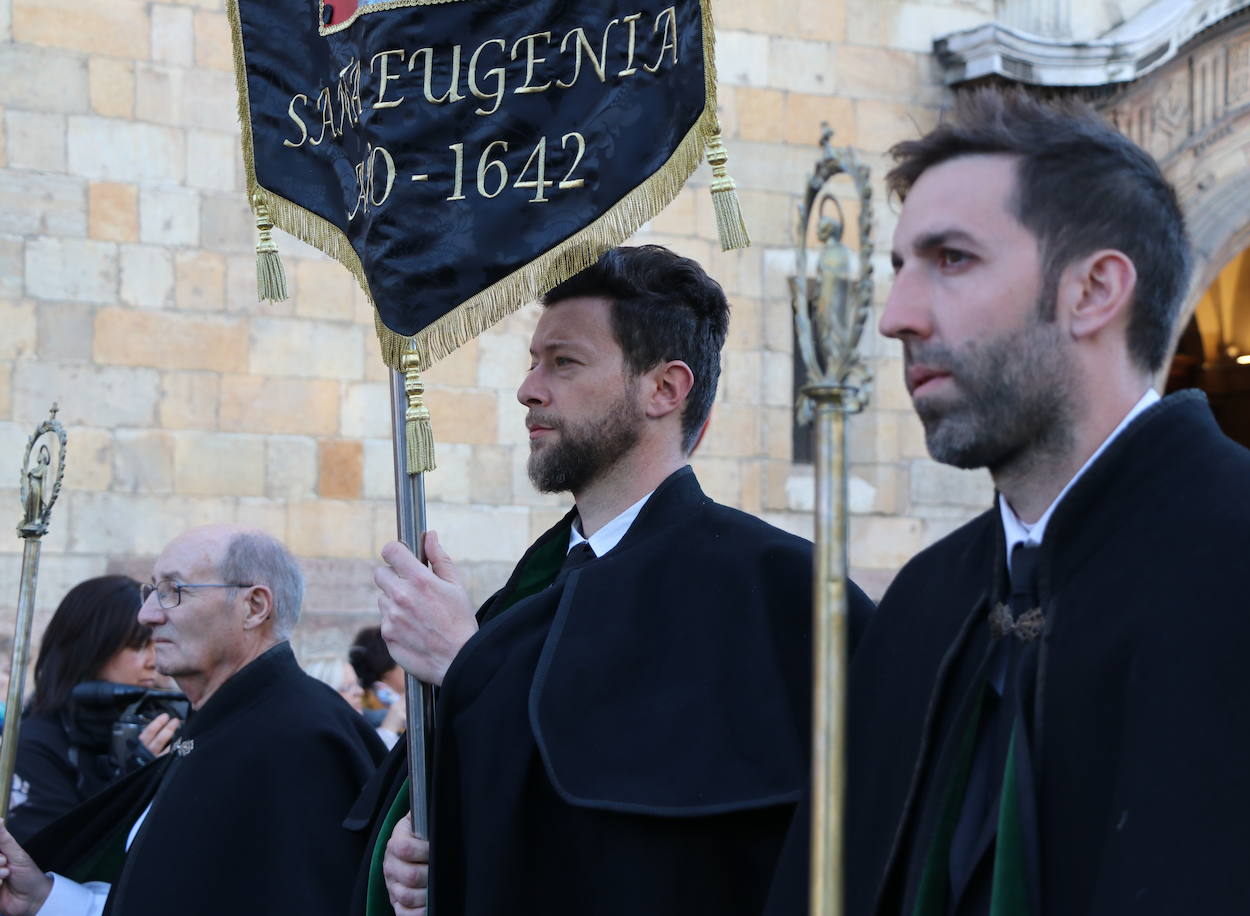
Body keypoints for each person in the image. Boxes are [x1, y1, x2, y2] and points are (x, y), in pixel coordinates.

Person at [766, 87, 1250, 916]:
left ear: (1093, 291)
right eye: (899, 266)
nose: (896, 317)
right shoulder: (923, 606)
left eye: (951, 259)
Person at [362, 244, 874, 916]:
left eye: (565, 362)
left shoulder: (781, 593)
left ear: (664, 388)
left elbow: (658, 848)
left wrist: (472, 664)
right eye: (532, 362)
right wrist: (423, 851)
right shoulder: (526, 596)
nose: (528, 389)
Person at [0, 525, 386, 916]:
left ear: (253, 607)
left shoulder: (301, 740)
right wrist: (42, 897)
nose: (147, 614)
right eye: (151, 591)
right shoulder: (218, 725)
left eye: (173, 591)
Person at [7, 576, 181, 843]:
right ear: (91, 647)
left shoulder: (162, 720)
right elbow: (52, 859)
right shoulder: (36, 743)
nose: (153, 661)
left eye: (158, 644)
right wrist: (132, 782)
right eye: (137, 646)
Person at [348, 627, 407, 749]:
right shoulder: (368, 708)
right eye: (402, 661)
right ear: (387, 667)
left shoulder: (376, 700)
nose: (408, 667)